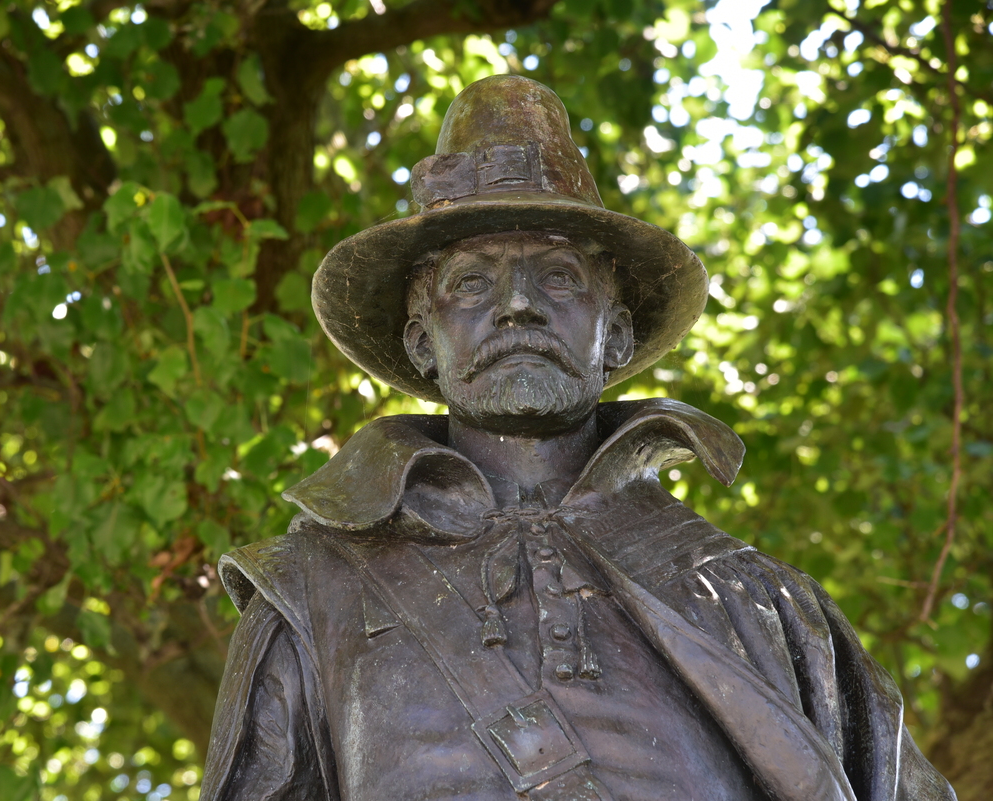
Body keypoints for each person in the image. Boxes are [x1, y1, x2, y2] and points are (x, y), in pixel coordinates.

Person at [200, 75, 955, 801]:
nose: (519, 305)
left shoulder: (761, 601)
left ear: (616, 334)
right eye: (471, 283)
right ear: (423, 344)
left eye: (558, 276)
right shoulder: (310, 592)